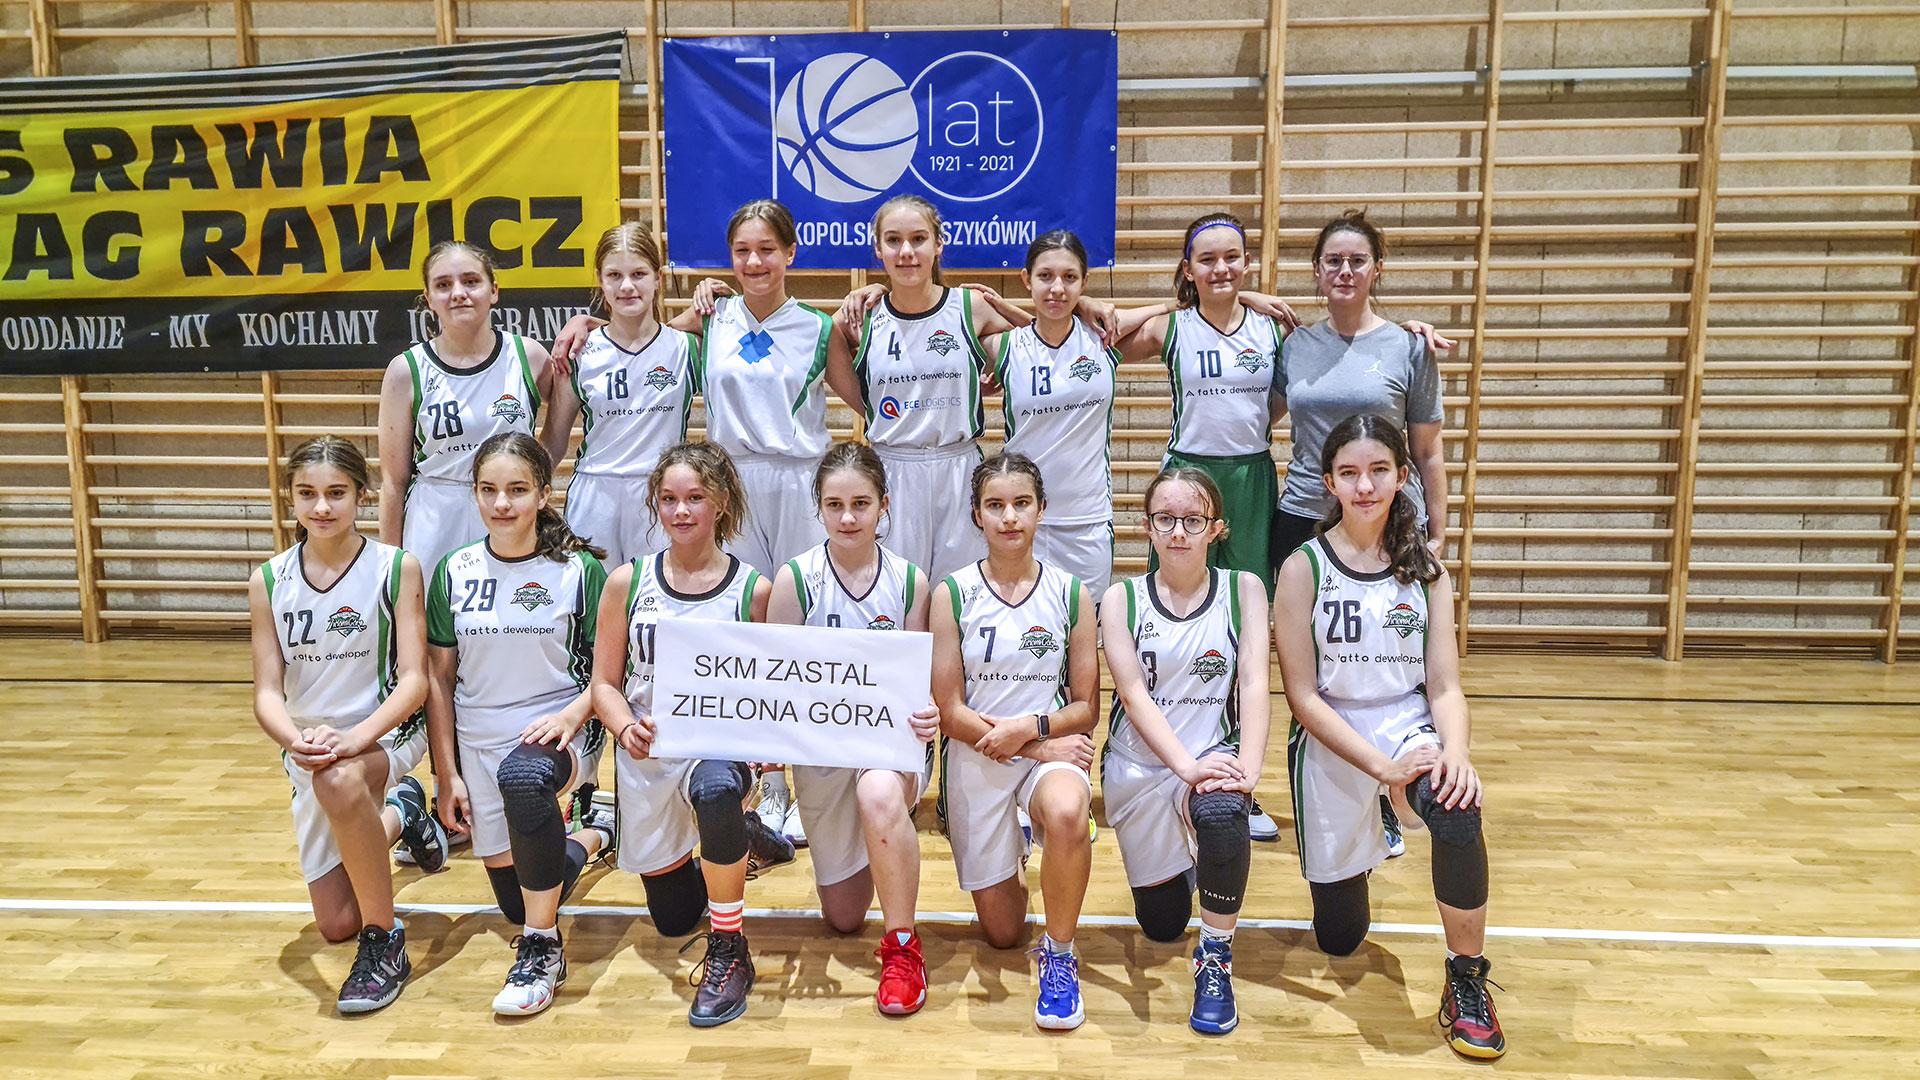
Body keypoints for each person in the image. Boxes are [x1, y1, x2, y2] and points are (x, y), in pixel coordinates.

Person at [1273, 414, 1504, 1060]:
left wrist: (1455, 754)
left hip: (1407, 727)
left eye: (1379, 471)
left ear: (1403, 476)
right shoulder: (1303, 568)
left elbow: (1445, 686)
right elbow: (1302, 697)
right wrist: (1382, 770)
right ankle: (1378, 821)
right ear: (1329, 483)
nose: (1365, 486)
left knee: (1458, 809)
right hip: (1333, 739)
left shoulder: (1425, 570)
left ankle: (1467, 978)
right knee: (1341, 938)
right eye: (1349, 473)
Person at [1273, 210, 1450, 858]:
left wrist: (1437, 529)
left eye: (1357, 260)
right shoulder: (1294, 345)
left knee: (1386, 661)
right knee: (1317, 667)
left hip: (1388, 521)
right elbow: (1251, 408)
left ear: (1377, 269)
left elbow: (1427, 450)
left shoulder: (1408, 347)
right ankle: (1325, 789)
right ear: (1317, 272)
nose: (1345, 271)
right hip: (1305, 516)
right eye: (1333, 261)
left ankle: (1388, 793)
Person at [248, 435, 446, 1014]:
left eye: (336, 493)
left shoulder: (396, 567)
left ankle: (385, 943)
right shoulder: (269, 581)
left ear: (361, 495)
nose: (322, 506)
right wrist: (296, 741)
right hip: (310, 744)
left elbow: (415, 682)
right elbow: (266, 693)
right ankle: (403, 812)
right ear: (289, 499)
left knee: (337, 779)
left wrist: (357, 739)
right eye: (307, 493)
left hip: (384, 731)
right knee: (335, 924)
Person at [424, 433, 615, 1018]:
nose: (501, 503)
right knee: (520, 896)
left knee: (525, 784)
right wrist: (447, 774)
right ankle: (598, 833)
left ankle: (542, 949)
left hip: (558, 727)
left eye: (517, 490)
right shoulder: (453, 571)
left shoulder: (579, 571)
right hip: (478, 738)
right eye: (488, 490)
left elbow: (610, 672)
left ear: (542, 494)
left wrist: (574, 714)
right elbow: (438, 682)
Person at [588, 440, 777, 1028]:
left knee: (716, 790)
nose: (681, 511)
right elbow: (604, 684)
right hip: (648, 753)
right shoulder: (627, 582)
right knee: (672, 918)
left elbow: (772, 689)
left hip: (717, 752)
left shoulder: (754, 590)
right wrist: (623, 725)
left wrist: (764, 749)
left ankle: (730, 945)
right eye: (669, 499)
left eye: (695, 497)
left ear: (721, 503)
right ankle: (739, 837)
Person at [764, 442, 942, 1016]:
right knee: (842, 918)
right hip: (821, 751)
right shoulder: (795, 579)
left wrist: (929, 709)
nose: (847, 517)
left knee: (879, 793)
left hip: (889, 744)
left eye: (861, 504)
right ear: (818, 507)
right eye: (835, 505)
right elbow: (774, 680)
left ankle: (903, 947)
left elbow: (920, 681)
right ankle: (882, 840)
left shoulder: (910, 581)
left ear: (883, 505)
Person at [932, 453, 1099, 1031]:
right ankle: (1020, 849)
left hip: (1046, 752)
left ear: (1041, 509)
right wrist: (1033, 746)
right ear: (976, 514)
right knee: (1003, 934)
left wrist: (1032, 731)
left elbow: (1086, 707)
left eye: (1021, 503)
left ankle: (1060, 955)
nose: (1009, 517)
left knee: (1069, 812)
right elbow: (950, 712)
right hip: (978, 756)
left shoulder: (1071, 593)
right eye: (995, 505)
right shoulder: (952, 593)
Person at [1099, 466, 1270, 1034]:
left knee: (1223, 814)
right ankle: (1195, 861)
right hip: (1139, 767)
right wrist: (1185, 767)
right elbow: (1132, 695)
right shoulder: (1121, 599)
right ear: (1147, 527)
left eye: (1192, 520)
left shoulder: (1244, 590)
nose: (1178, 531)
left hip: (1211, 754)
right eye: (1165, 519)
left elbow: (1254, 683)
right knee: (1162, 925)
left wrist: (1248, 770)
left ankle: (1215, 956)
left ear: (1216, 528)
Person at [831, 195, 1062, 583]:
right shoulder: (861, 316)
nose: (907, 251)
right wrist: (874, 408)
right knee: (898, 593)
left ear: (938, 244)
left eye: (918, 239)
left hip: (959, 467)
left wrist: (993, 371)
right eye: (893, 240)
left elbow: (1047, 340)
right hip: (892, 467)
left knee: (960, 593)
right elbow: (828, 354)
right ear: (878, 249)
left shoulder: (969, 307)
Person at [378, 241, 567, 579]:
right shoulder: (406, 370)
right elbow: (394, 482)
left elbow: (558, 430)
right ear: (428, 298)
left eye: (470, 281)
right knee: (433, 612)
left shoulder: (529, 356)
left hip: (508, 511)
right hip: (436, 515)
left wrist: (527, 482)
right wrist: (390, 567)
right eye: (443, 285)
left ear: (493, 291)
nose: (458, 293)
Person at [542, 223, 698, 566]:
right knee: (595, 595)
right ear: (600, 279)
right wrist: (528, 493)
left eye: (638, 274)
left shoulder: (687, 349)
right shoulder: (578, 352)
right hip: (595, 494)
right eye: (614, 275)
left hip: (661, 493)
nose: (627, 286)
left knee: (657, 595)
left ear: (657, 278)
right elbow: (553, 442)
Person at [992, 230, 1120, 603]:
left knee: (1085, 631)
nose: (1057, 288)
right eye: (1045, 276)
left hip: (1086, 521)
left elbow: (1179, 311)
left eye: (1069, 277)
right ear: (1026, 279)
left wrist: (1244, 296)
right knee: (1024, 630)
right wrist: (870, 291)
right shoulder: (1003, 346)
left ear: (1085, 282)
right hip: (1020, 520)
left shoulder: (1105, 339)